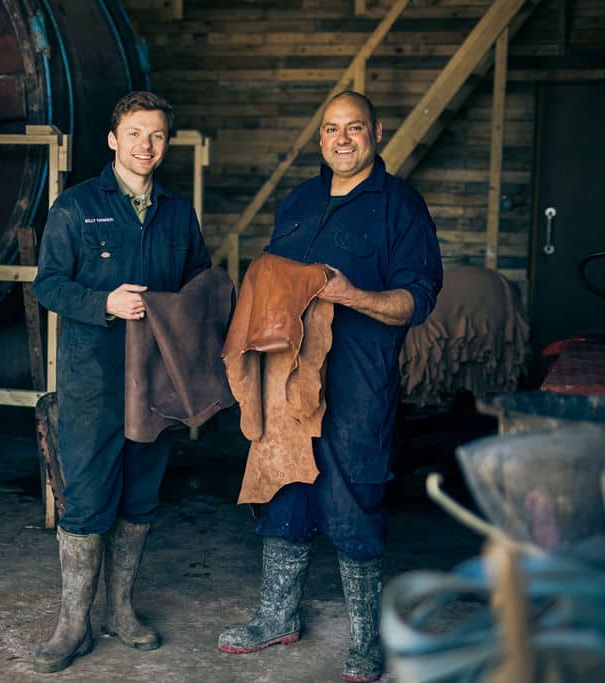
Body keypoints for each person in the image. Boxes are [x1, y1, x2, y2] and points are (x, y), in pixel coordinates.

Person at [217, 91, 443, 682]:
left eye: (355, 128)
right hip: (286, 384)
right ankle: (276, 617)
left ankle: (367, 641)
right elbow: (268, 281)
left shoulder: (400, 207)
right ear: (320, 138)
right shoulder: (298, 201)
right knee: (283, 488)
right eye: (331, 130)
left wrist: (353, 296)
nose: (342, 139)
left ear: (376, 132)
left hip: (357, 384)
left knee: (354, 497)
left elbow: (416, 300)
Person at [31, 91, 211, 674]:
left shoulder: (178, 213)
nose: (145, 146)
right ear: (113, 139)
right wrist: (104, 301)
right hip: (94, 380)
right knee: (84, 499)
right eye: (135, 134)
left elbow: (199, 284)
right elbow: (49, 285)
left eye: (156, 136)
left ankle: (121, 610)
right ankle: (72, 624)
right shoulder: (77, 206)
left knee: (140, 494)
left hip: (156, 381)